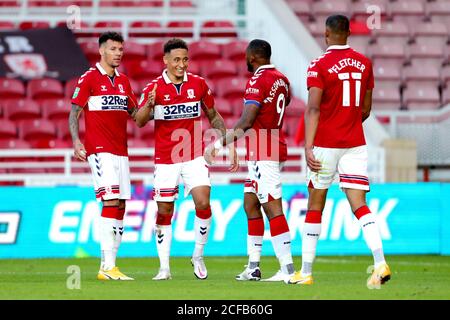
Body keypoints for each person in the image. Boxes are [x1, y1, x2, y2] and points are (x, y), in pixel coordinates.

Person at [287, 15, 391, 286]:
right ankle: (380, 263)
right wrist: (349, 125)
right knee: (360, 205)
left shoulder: (318, 64)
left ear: (326, 34)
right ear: (347, 33)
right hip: (355, 143)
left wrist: (309, 146)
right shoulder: (365, 63)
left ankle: (306, 273)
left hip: (325, 144)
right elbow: (366, 109)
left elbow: (312, 108)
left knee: (315, 203)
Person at [135, 38, 238, 281]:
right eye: (177, 60)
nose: (181, 64)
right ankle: (164, 268)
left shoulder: (199, 84)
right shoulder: (155, 88)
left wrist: (228, 144)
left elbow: (213, 115)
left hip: (193, 155)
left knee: (203, 202)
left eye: (185, 59)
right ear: (166, 61)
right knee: (165, 209)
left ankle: (198, 255)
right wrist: (149, 106)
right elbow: (139, 121)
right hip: (166, 159)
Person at [204, 39, 295, 282]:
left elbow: (245, 122)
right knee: (250, 204)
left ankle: (288, 271)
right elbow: (286, 102)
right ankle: (254, 267)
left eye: (246, 56)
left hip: (264, 150)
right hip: (272, 143)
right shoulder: (282, 79)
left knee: (273, 207)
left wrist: (218, 144)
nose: (245, 60)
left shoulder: (257, 80)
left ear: (253, 57)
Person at [69, 31, 138, 281]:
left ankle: (110, 266)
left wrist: (150, 105)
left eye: (120, 49)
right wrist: (77, 141)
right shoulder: (89, 78)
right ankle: (107, 267)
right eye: (113, 49)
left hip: (121, 151)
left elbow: (136, 116)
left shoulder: (124, 82)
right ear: (101, 51)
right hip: (99, 150)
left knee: (120, 204)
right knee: (109, 202)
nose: (118, 53)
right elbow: (74, 112)